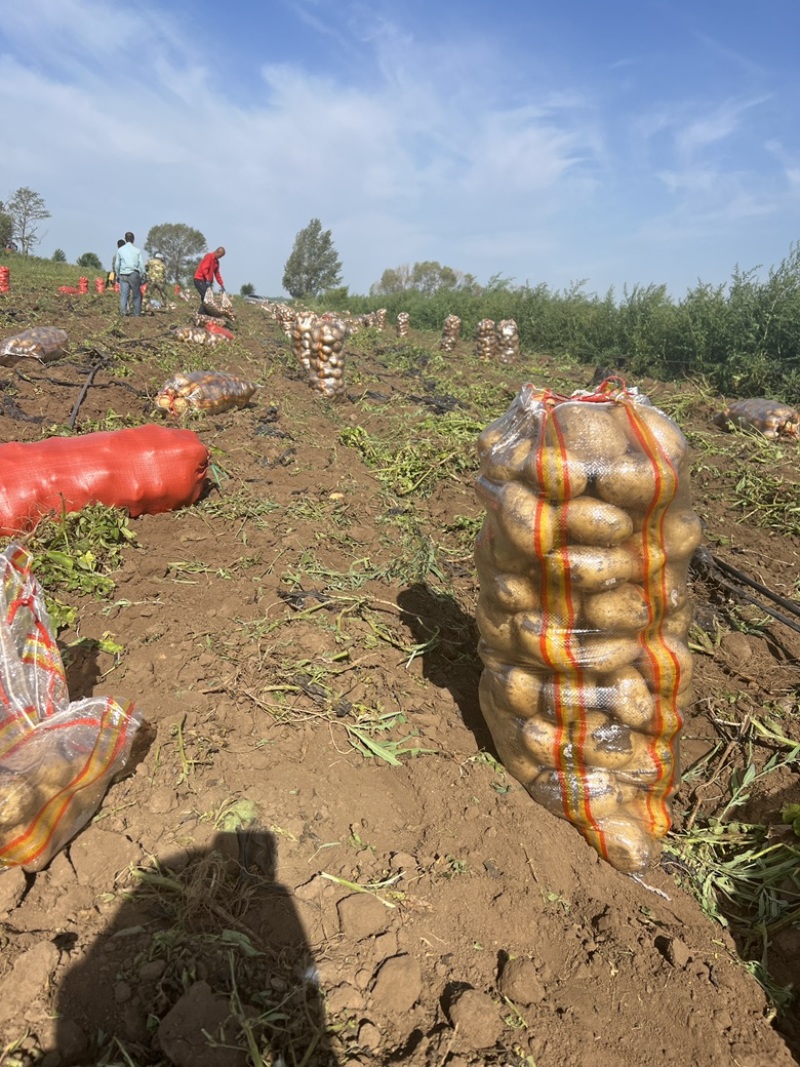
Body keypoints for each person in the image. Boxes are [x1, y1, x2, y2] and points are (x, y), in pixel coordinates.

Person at [114, 232, 146, 317]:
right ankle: (136, 313)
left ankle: (123, 313)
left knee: (124, 295)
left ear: (125, 239)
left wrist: (117, 275)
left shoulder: (120, 250)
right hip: (134, 274)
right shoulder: (137, 251)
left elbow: (117, 264)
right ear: (133, 240)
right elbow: (141, 265)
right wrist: (143, 275)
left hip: (123, 275)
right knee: (136, 295)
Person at [194, 246, 226, 314]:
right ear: (217, 252)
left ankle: (203, 313)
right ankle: (201, 313)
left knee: (207, 298)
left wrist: (221, 284)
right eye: (220, 256)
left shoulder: (216, 262)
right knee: (206, 297)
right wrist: (207, 279)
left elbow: (217, 274)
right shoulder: (209, 256)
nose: (220, 257)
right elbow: (204, 268)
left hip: (206, 281)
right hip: (199, 279)